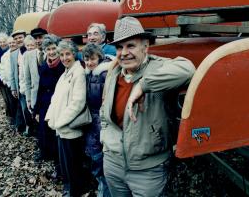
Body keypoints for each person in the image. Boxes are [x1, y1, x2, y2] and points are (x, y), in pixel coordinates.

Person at [100, 16, 196, 197]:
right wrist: (105, 142)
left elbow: (188, 69)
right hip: (113, 163)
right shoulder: (114, 73)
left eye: (131, 46)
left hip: (148, 169)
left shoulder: (157, 67)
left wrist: (143, 85)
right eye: (119, 47)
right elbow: (104, 111)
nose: (124, 52)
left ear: (145, 46)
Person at [45, 40, 86, 197]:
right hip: (61, 127)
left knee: (73, 163)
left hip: (70, 127)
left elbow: (78, 103)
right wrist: (50, 118)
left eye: (67, 54)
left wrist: (60, 122)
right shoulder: (65, 73)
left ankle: (75, 191)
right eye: (61, 54)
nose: (64, 58)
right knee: (65, 162)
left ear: (74, 54)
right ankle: (69, 187)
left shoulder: (78, 72)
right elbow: (56, 99)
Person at [82, 44, 111, 197]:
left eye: (92, 59)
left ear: (99, 57)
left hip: (101, 121)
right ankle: (101, 186)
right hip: (92, 121)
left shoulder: (104, 74)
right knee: (94, 155)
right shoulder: (89, 74)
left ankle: (105, 191)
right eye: (86, 59)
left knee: (102, 158)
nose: (89, 62)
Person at [33, 34, 64, 170]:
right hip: (45, 104)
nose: (51, 52)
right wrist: (36, 109)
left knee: (57, 135)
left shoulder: (63, 65)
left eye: (53, 48)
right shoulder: (45, 65)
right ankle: (48, 155)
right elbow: (40, 88)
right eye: (48, 49)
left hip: (59, 105)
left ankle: (60, 165)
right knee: (45, 132)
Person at [9, 29, 31, 134]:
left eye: (20, 37)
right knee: (24, 109)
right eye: (16, 38)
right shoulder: (13, 54)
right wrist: (13, 88)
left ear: (25, 37)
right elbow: (12, 72)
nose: (18, 40)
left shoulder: (31, 50)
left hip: (32, 87)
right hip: (21, 87)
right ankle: (28, 127)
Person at [0, 36, 18, 126]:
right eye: (10, 43)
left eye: (13, 42)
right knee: (12, 104)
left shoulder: (20, 53)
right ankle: (15, 122)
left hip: (19, 83)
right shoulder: (5, 56)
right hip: (9, 84)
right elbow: (2, 69)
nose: (12, 44)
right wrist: (3, 79)